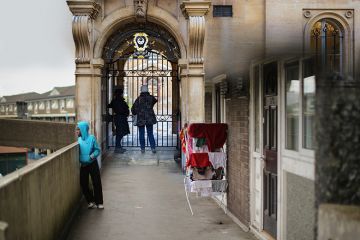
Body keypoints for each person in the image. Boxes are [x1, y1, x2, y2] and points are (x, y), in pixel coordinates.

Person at [76, 121, 104, 209]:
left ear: (83, 130)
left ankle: (99, 202)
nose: (76, 131)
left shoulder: (92, 138)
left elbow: (97, 150)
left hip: (92, 163)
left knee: (96, 182)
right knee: (83, 183)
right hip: (83, 165)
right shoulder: (79, 140)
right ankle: (90, 201)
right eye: (76, 129)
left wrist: (91, 156)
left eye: (78, 129)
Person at [131, 85, 157, 153]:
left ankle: (142, 149)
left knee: (141, 134)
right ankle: (153, 148)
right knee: (150, 133)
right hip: (149, 119)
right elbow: (155, 101)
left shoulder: (138, 99)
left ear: (141, 90)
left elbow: (133, 109)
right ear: (147, 90)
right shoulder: (151, 98)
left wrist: (137, 112)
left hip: (140, 119)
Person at [108, 88, 130, 153]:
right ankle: (117, 147)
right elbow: (125, 109)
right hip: (121, 118)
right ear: (120, 94)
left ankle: (118, 146)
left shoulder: (114, 101)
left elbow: (109, 106)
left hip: (118, 118)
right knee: (120, 133)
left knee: (119, 132)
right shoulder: (120, 101)